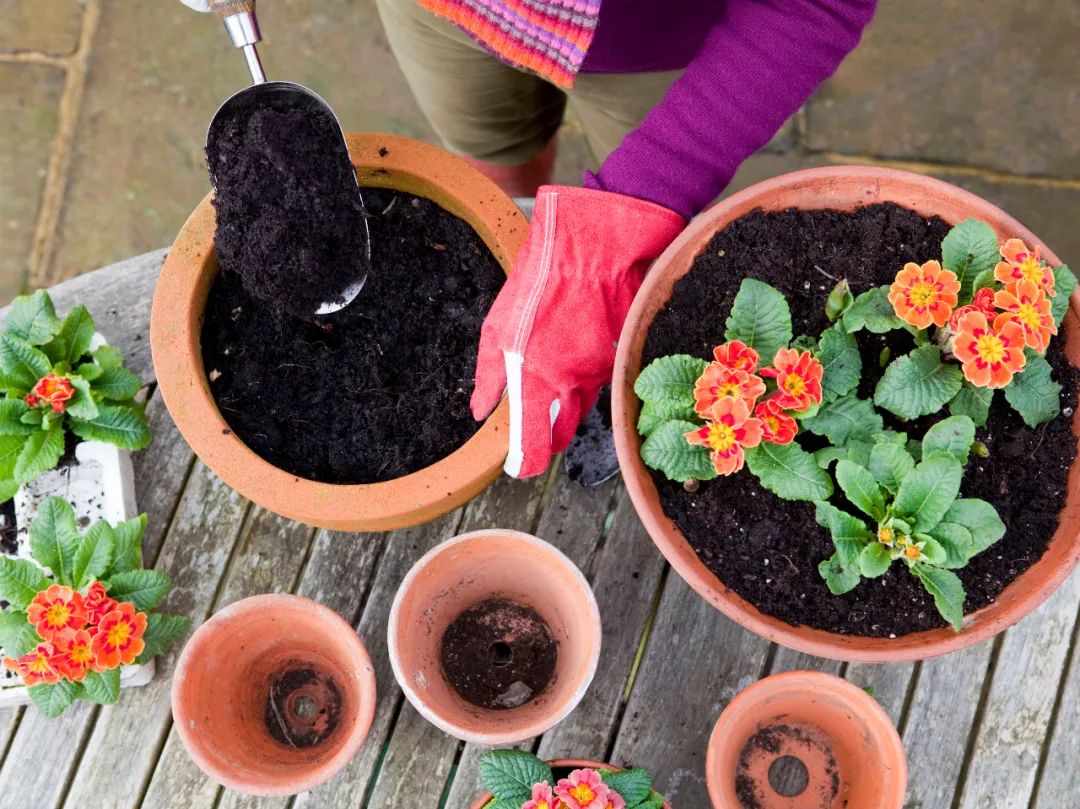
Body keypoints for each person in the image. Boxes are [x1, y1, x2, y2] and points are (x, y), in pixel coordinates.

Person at [375, 0, 879, 479]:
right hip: (448, 16)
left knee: (640, 263)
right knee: (494, 161)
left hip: (652, 39)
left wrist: (624, 216)